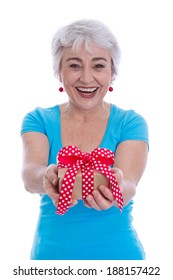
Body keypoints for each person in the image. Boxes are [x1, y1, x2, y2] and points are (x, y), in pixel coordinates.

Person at [20, 19, 149, 260]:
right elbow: (30, 175)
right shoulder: (39, 119)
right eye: (75, 65)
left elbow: (129, 184)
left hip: (119, 261)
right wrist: (47, 176)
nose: (87, 78)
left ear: (113, 73)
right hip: (51, 260)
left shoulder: (130, 122)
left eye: (98, 66)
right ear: (59, 71)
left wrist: (116, 187)